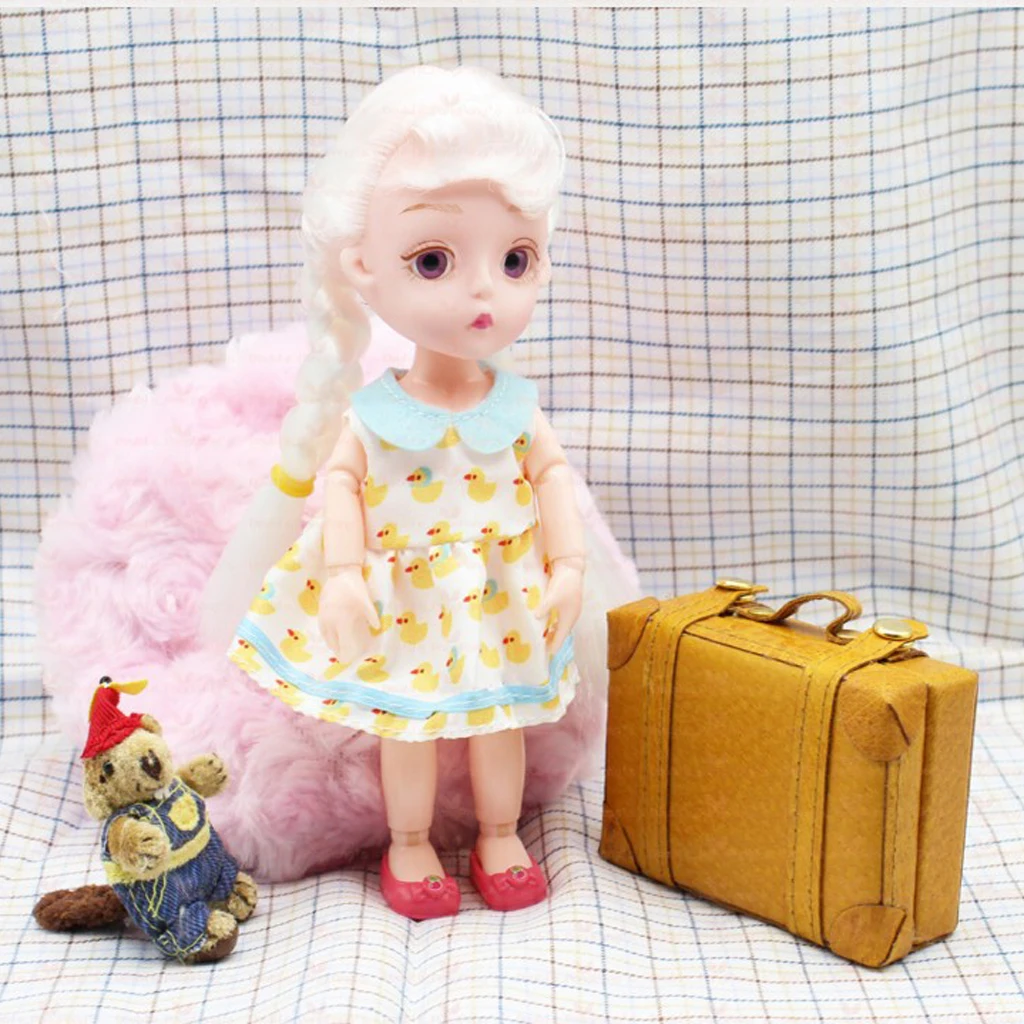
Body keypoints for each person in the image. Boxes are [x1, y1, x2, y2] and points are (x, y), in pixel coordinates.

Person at [201, 65, 584, 919]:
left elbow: (550, 475)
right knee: (405, 728)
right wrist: (343, 577)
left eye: (514, 259)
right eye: (434, 260)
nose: (483, 289)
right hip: (405, 599)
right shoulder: (376, 411)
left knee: (500, 722)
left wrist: (569, 565)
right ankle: (409, 845)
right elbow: (341, 484)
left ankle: (499, 834)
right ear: (364, 268)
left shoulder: (515, 407)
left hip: (500, 597)